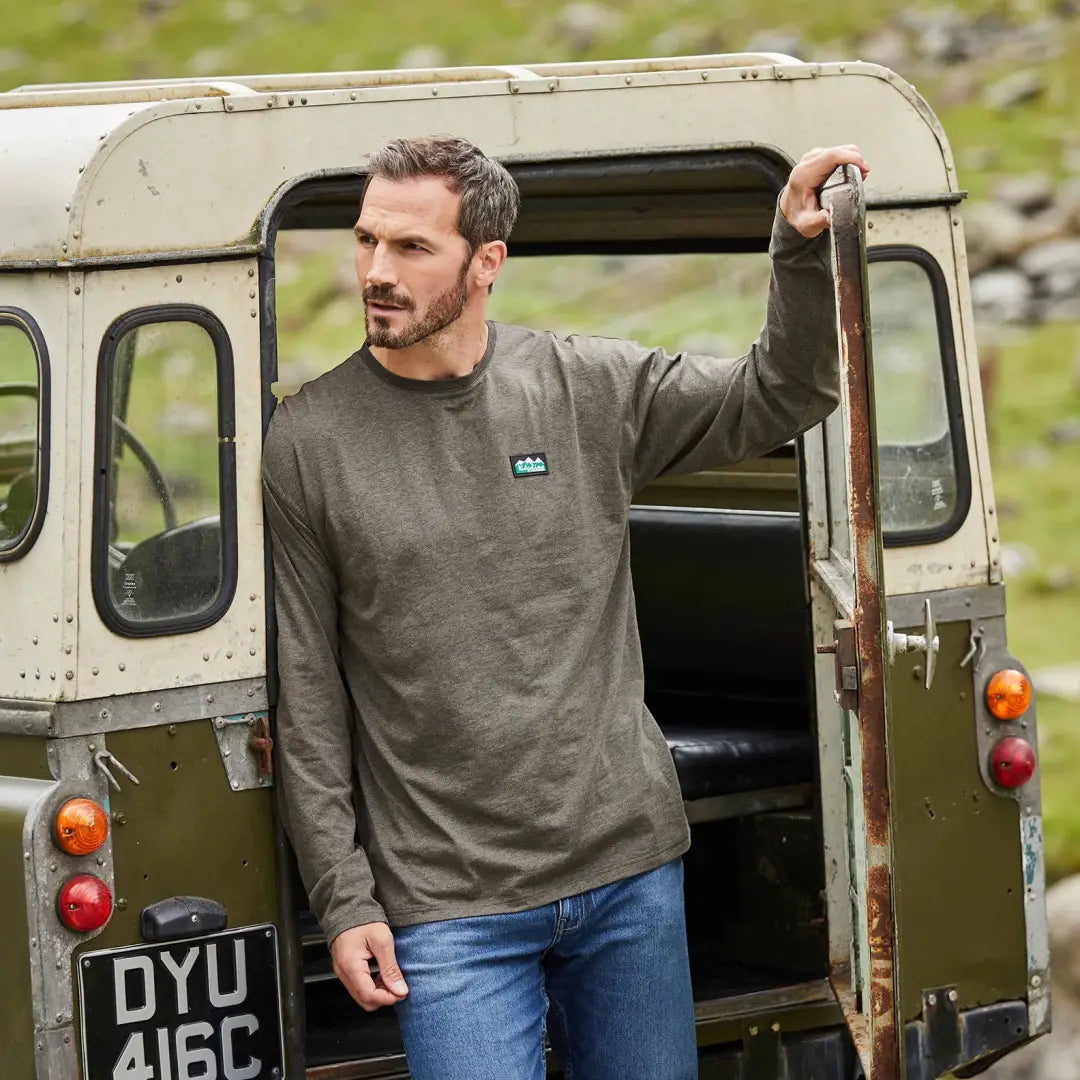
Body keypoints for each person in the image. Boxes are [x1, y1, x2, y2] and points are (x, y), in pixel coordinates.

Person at [262, 134, 866, 1080]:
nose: (376, 272)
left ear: (487, 262)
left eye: (412, 248)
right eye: (367, 240)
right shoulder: (307, 442)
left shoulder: (587, 387)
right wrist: (345, 900)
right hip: (448, 906)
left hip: (628, 874)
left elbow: (785, 392)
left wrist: (796, 251)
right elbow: (306, 696)